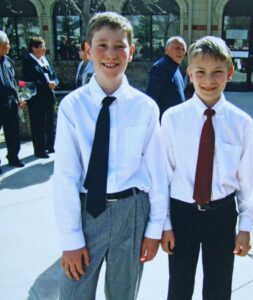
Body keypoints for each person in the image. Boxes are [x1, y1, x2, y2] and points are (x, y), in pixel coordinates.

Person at [53, 12, 168, 300]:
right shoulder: (72, 106)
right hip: (86, 210)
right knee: (74, 292)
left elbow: (157, 172)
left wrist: (155, 227)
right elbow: (65, 176)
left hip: (132, 211)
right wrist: (70, 239)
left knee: (123, 294)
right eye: (102, 45)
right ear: (88, 50)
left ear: (132, 49)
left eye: (120, 46)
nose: (111, 54)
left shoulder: (145, 107)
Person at [161, 36, 253, 300]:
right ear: (189, 73)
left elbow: (247, 181)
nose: (209, 80)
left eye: (217, 72)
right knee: (178, 287)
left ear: (230, 73)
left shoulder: (242, 123)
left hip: (221, 215)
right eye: (200, 72)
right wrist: (165, 223)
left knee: (218, 287)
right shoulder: (172, 119)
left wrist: (245, 226)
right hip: (182, 215)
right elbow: (163, 176)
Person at [22, 36, 59, 158]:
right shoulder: (28, 62)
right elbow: (29, 81)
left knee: (49, 122)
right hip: (37, 99)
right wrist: (47, 84)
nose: (44, 49)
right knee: (38, 124)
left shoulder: (45, 60)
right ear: (33, 48)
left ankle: (50, 146)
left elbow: (54, 75)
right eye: (41, 46)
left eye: (44, 46)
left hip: (49, 97)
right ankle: (40, 150)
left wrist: (55, 82)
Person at [0, 30, 25, 172]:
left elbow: (13, 81)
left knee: (13, 132)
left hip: (10, 102)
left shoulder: (8, 61)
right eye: (7, 43)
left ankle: (13, 157)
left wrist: (19, 97)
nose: (9, 46)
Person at [145, 36, 187, 118]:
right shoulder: (160, 67)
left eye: (183, 49)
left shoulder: (175, 67)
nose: (181, 52)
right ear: (167, 49)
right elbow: (152, 98)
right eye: (177, 48)